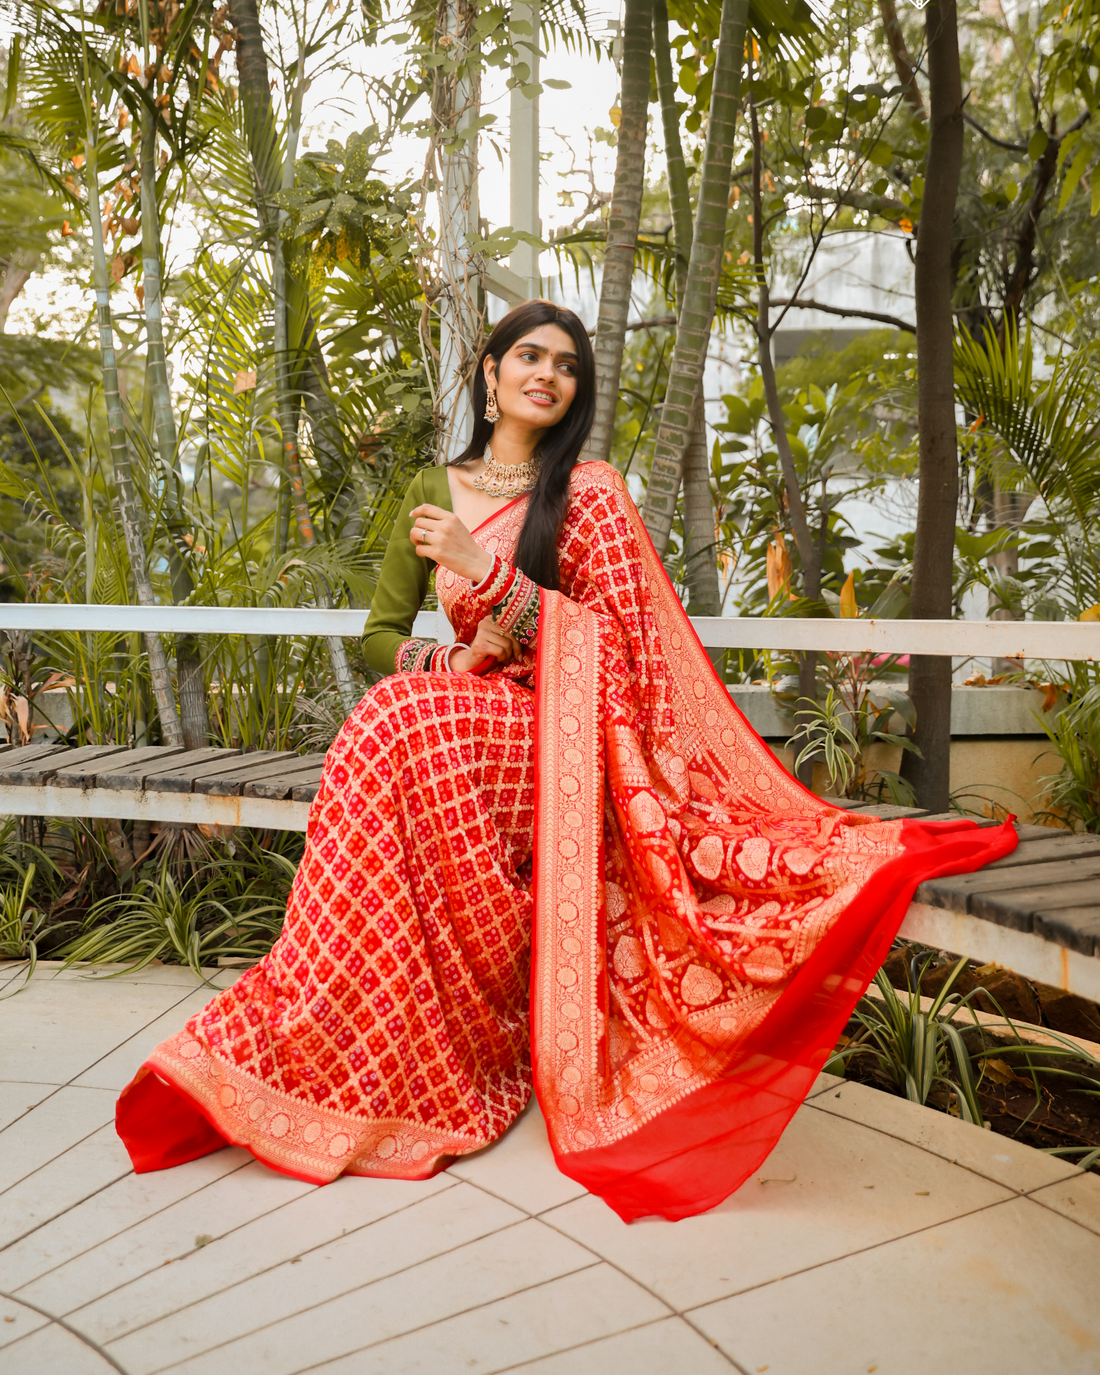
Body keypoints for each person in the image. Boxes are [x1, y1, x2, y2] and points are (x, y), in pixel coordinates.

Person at [116, 300, 1016, 1222]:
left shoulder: (588, 490)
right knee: (394, 714)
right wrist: (446, 659)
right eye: (530, 357)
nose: (548, 374)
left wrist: (491, 572)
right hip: (468, 710)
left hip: (570, 733)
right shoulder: (436, 485)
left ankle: (410, 1020)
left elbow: (621, 644)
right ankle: (329, 1017)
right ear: (490, 370)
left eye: (568, 366)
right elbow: (381, 631)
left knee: (397, 726)